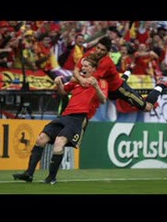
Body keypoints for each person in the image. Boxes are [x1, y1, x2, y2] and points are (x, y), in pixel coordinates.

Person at [12, 54, 107, 184]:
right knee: (41, 139)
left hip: (77, 118)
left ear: (93, 69)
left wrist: (96, 87)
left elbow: (103, 100)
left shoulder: (99, 82)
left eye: (86, 66)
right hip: (64, 115)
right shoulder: (76, 81)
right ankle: (29, 174)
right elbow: (63, 93)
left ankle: (51, 177)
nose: (82, 68)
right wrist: (59, 84)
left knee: (59, 142)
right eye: (82, 65)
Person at [72, 37, 167, 112]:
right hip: (108, 88)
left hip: (119, 89)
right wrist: (79, 79)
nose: (98, 51)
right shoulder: (90, 53)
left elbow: (91, 80)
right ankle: (129, 70)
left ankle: (161, 85)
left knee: (147, 107)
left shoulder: (106, 62)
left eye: (102, 50)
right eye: (98, 48)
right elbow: (76, 69)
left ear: (107, 52)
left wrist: (78, 79)